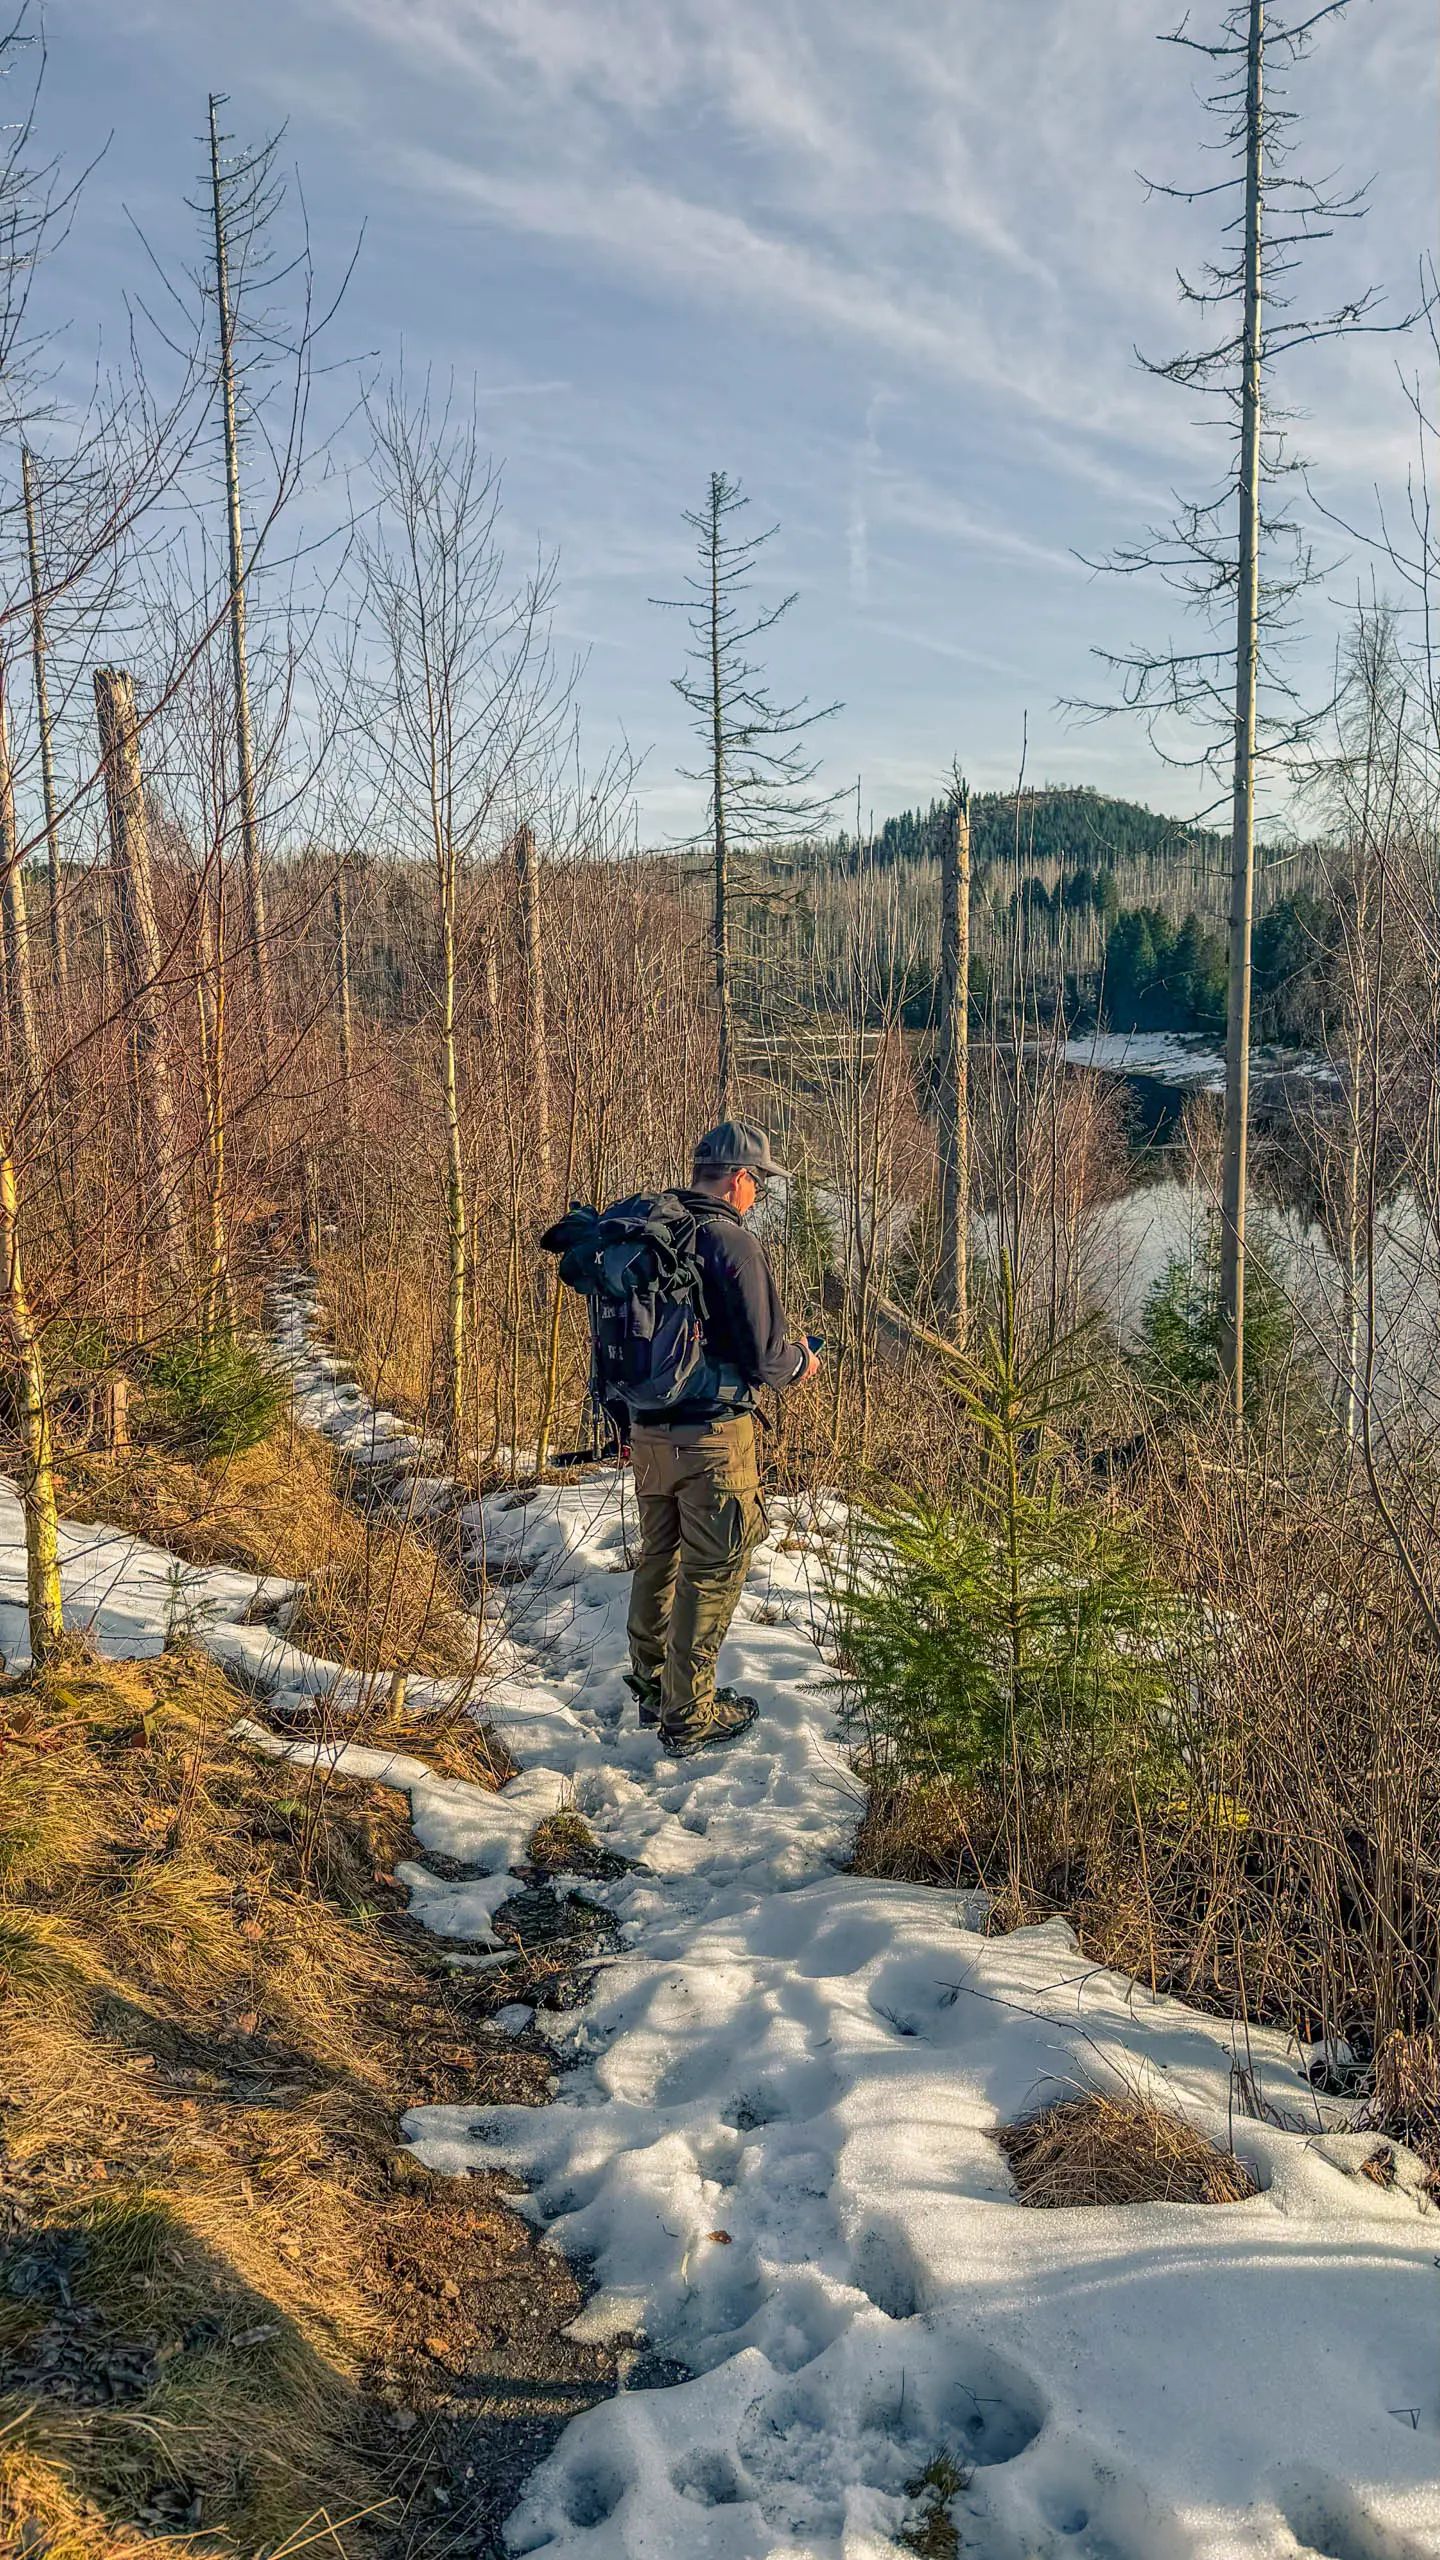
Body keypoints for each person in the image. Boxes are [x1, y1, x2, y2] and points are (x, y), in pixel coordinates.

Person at [624, 1120, 819, 1758]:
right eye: (759, 1181)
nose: (758, 1194)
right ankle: (690, 1715)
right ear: (738, 1177)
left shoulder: (655, 1230)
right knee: (712, 1570)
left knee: (660, 1558)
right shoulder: (734, 1243)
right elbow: (767, 1358)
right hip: (713, 1438)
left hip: (648, 1429)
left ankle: (654, 1686)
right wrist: (803, 1362)